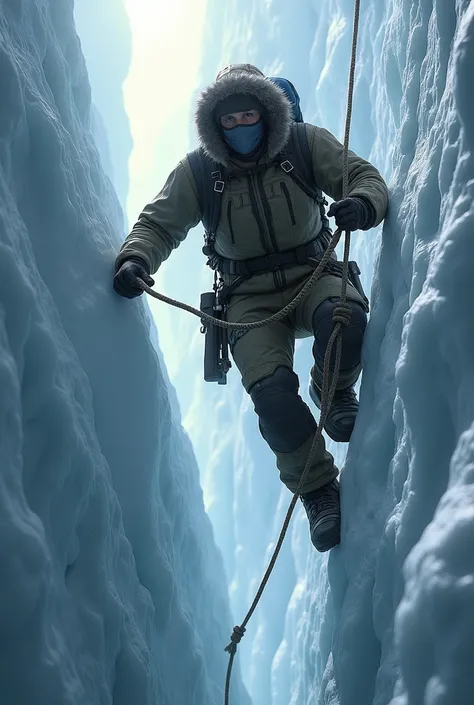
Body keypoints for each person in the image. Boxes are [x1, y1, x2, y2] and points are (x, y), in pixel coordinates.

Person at [114, 64, 389, 552]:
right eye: (230, 120)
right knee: (273, 397)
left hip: (315, 270)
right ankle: (319, 491)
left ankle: (334, 389)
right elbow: (159, 223)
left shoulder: (302, 144)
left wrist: (362, 204)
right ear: (215, 126)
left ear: (266, 112)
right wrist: (136, 257)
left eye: (248, 115)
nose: (241, 127)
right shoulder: (200, 172)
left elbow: (362, 176)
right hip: (246, 300)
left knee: (344, 322)